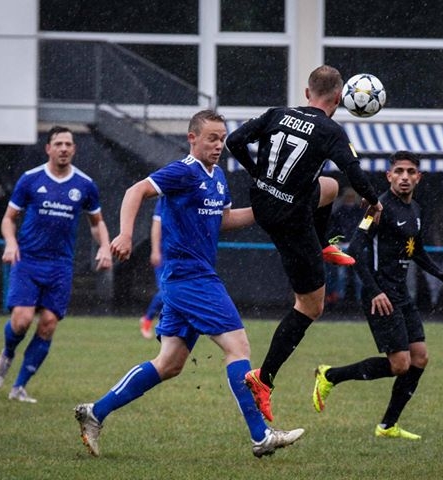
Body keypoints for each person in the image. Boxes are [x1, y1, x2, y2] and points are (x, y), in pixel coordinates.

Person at [74, 110, 303, 458]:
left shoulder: (218, 176)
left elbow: (224, 219)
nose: (219, 145)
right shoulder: (183, 171)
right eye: (212, 138)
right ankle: (261, 436)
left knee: (169, 363)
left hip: (189, 278)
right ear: (192, 138)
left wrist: (267, 211)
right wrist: (124, 234)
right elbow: (136, 191)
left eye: (222, 138)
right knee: (238, 347)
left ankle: (95, 412)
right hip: (190, 277)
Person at [225, 64, 383, 422]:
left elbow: (234, 141)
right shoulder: (330, 130)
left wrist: (257, 173)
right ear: (339, 98)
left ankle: (323, 243)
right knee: (311, 306)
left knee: (328, 187)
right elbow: (355, 172)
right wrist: (374, 201)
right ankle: (263, 379)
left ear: (307, 92)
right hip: (289, 221)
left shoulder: (278, 113)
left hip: (264, 202)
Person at [311, 151, 443, 440]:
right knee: (399, 365)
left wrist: (442, 275)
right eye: (399, 171)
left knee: (420, 358)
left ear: (418, 177)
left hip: (400, 293)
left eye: (410, 172)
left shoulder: (415, 209)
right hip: (380, 293)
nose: (404, 177)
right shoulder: (376, 208)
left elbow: (416, 250)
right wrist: (375, 291)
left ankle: (387, 426)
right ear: (389, 176)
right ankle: (329, 375)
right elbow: (354, 250)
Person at [0, 125, 113, 403]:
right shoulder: (30, 180)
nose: (64, 148)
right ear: (48, 148)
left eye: (68, 144)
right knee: (21, 320)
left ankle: (19, 387)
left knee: (48, 324)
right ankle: (7, 353)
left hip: (60, 266)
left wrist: (104, 246)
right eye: (58, 144)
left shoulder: (84, 185)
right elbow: (9, 218)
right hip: (28, 260)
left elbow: (97, 223)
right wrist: (11, 242)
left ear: (74, 149)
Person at [325, 187, 364, 307]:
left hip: (352, 244)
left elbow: (363, 228)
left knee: (355, 274)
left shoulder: (357, 212)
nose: (350, 200)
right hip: (344, 244)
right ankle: (341, 298)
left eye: (351, 197)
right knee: (343, 274)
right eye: (348, 197)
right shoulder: (340, 212)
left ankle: (359, 298)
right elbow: (333, 228)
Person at [139, 200, 164, 339]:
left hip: (180, 256)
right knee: (164, 291)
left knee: (176, 292)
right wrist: (155, 250)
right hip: (165, 254)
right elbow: (156, 226)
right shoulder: (165, 199)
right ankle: (147, 320)